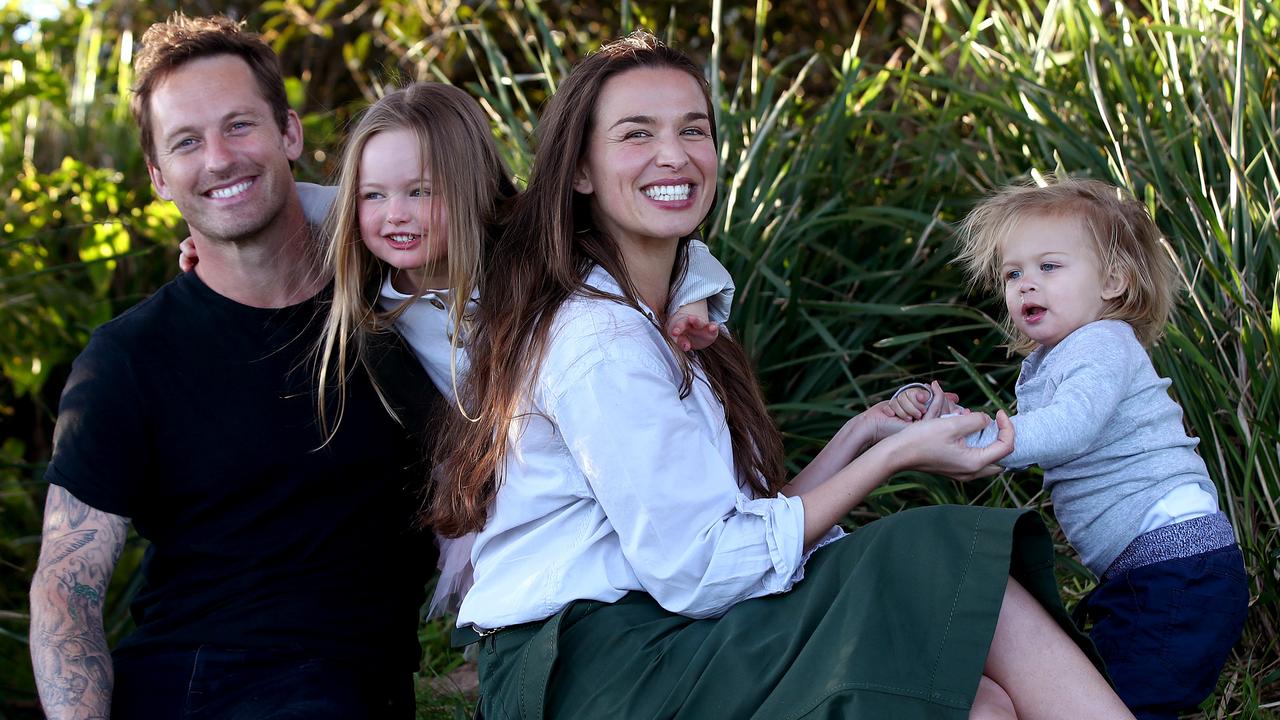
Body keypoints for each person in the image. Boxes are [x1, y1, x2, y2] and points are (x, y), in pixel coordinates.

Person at [430, 31, 1134, 719]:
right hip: (590, 668)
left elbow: (732, 529)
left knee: (976, 703)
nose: (673, 154)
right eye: (636, 134)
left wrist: (863, 433)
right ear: (580, 170)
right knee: (938, 557)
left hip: (656, 629)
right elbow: (705, 568)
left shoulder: (660, 313)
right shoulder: (602, 339)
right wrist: (896, 457)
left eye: (693, 129)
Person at [179, 81, 735, 615]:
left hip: (594, 441)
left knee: (647, 544)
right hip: (505, 479)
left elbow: (656, 240)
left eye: (421, 192)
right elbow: (288, 203)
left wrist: (691, 295)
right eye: (375, 195)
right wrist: (210, 241)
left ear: (468, 188)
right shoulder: (369, 254)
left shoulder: (529, 248)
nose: (395, 213)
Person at [28, 14, 440, 719]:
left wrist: (694, 305)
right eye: (187, 142)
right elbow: (67, 587)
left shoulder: (399, 307)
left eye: (239, 126)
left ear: (289, 133)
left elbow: (532, 242)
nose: (218, 158)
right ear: (159, 176)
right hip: (190, 682)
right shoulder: (128, 358)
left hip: (347, 686)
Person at [890, 176, 1248, 719]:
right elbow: (1040, 429)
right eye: (1014, 273)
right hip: (1150, 568)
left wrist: (989, 439)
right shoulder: (1055, 360)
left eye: (1049, 267)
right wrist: (947, 423)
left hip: (1176, 564)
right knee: (1094, 686)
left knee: (1120, 702)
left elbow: (1071, 426)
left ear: (1113, 281)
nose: (1026, 284)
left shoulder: (1102, 342)